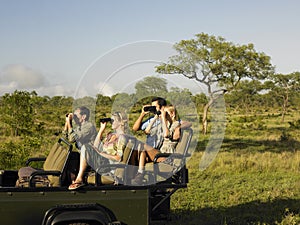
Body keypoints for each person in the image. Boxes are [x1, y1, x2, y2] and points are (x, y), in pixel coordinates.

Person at [68, 111, 128, 190]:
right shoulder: (111, 135)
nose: (111, 122)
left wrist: (101, 153)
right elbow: (96, 145)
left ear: (120, 122)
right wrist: (101, 129)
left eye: (113, 120)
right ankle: (73, 178)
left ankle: (79, 178)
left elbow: (118, 158)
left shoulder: (122, 138)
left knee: (85, 147)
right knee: (77, 153)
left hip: (109, 166)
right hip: (103, 162)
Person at [132, 105, 181, 185]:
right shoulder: (167, 124)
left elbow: (166, 135)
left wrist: (164, 119)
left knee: (143, 145)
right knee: (140, 152)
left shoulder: (176, 124)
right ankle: (138, 176)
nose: (163, 115)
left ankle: (139, 176)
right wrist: (155, 117)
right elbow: (147, 130)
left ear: (172, 114)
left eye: (166, 113)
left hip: (168, 156)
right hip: (161, 153)